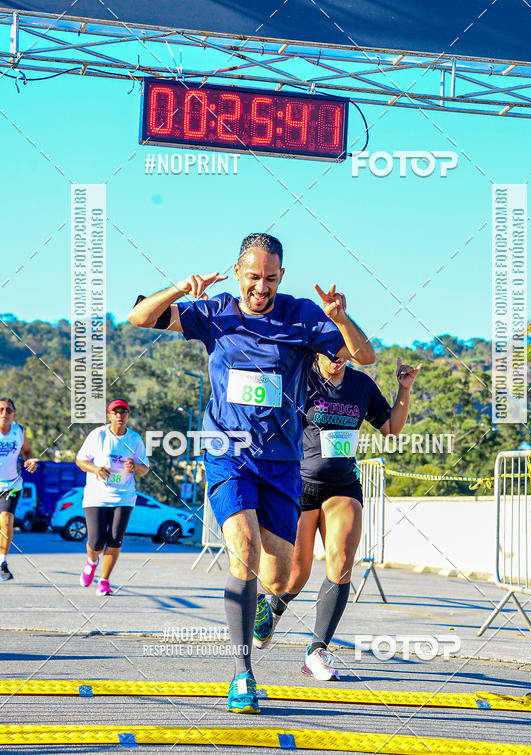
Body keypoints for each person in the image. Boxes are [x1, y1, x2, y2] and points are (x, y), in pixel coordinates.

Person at [128, 232, 375, 714]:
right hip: (229, 452)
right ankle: (242, 674)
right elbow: (139, 317)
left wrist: (340, 318)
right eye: (254, 276)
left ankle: (264, 607)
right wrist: (182, 288)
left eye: (271, 278)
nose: (262, 286)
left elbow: (364, 357)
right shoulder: (216, 311)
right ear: (238, 272)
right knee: (243, 550)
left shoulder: (303, 315)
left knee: (280, 576)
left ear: (282, 276)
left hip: (281, 464)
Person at [260, 353, 421, 679]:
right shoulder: (299, 378)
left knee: (342, 562)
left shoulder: (361, 385)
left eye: (343, 351)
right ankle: (273, 609)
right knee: (295, 575)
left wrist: (404, 389)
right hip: (299, 485)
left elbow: (391, 428)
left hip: (343, 485)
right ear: (316, 349)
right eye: (329, 351)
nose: (337, 357)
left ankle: (317, 651)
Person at [76, 399, 149, 596]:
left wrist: (135, 467)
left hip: (124, 496)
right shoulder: (98, 435)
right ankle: (92, 561)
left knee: (115, 539)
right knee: (96, 542)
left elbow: (144, 468)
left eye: (123, 412)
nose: (119, 416)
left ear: (128, 415)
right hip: (97, 496)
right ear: (109, 415)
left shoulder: (134, 439)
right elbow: (80, 460)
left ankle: (104, 581)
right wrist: (96, 469)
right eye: (115, 412)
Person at [0, 398, 38, 581]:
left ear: (13, 414)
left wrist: (30, 460)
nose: (4, 413)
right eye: (0, 409)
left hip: (11, 484)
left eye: (8, 410)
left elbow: (27, 451)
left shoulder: (19, 431)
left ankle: (2, 563)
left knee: (7, 519)